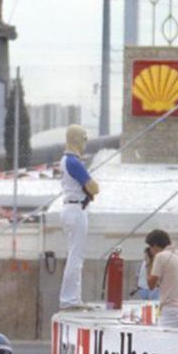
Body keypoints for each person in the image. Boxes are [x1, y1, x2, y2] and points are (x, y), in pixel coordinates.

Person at [59, 125, 99, 311]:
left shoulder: (66, 161)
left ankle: (73, 297)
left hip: (71, 208)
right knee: (76, 257)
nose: (85, 143)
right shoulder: (74, 162)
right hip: (76, 209)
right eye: (83, 138)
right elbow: (93, 187)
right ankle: (70, 299)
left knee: (75, 256)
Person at [144, 229, 178, 329]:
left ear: (155, 246)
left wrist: (148, 264)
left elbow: (151, 285)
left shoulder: (160, 256)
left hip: (171, 309)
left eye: (150, 247)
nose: (150, 251)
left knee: (160, 341)